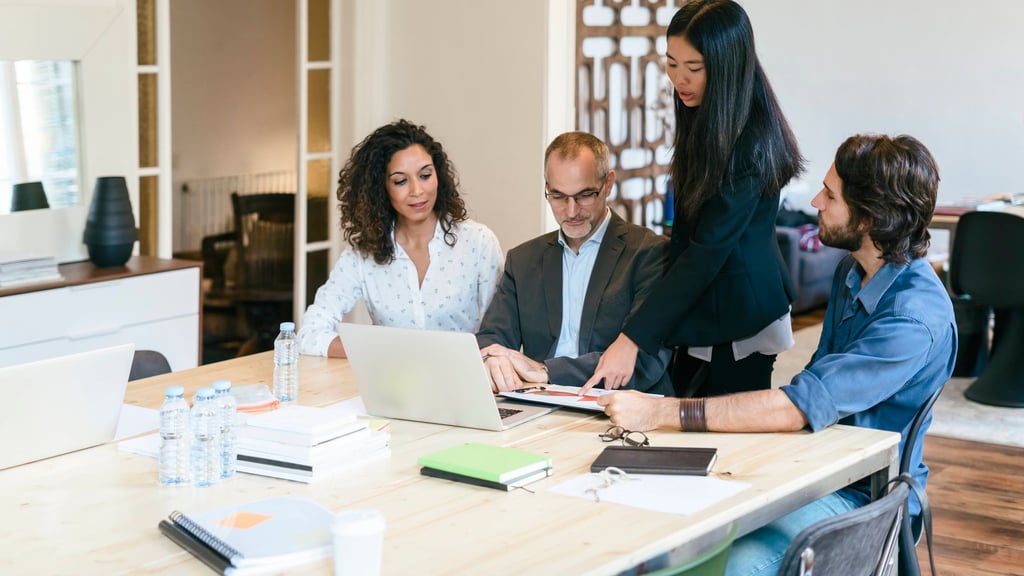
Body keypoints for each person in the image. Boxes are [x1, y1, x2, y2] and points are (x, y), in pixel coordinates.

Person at [598, 134, 957, 576]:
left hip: (864, 497)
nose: (816, 201)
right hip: (816, 465)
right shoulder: (854, 271)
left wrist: (659, 412)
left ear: (870, 218)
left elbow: (797, 407)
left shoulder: (913, 318)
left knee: (727, 566)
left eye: (830, 193)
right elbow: (808, 390)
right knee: (655, 536)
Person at [582, 0, 804, 398]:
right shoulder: (704, 110)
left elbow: (706, 251)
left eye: (694, 68)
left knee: (722, 437)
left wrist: (632, 339)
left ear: (726, 66)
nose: (679, 80)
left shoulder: (749, 142)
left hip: (742, 309)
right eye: (672, 63)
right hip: (710, 303)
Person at [476, 131, 673, 395]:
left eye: (584, 195)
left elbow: (645, 362)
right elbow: (491, 339)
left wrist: (544, 371)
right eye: (557, 196)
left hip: (621, 405)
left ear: (608, 184)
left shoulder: (649, 253)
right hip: (537, 405)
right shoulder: (523, 260)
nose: (571, 211)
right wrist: (494, 361)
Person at [297, 119, 503, 357]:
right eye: (401, 181)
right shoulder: (363, 254)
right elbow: (310, 333)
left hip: (463, 385)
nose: (417, 190)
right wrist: (376, 351)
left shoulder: (478, 242)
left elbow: (498, 336)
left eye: (425, 175)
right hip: (393, 387)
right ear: (380, 188)